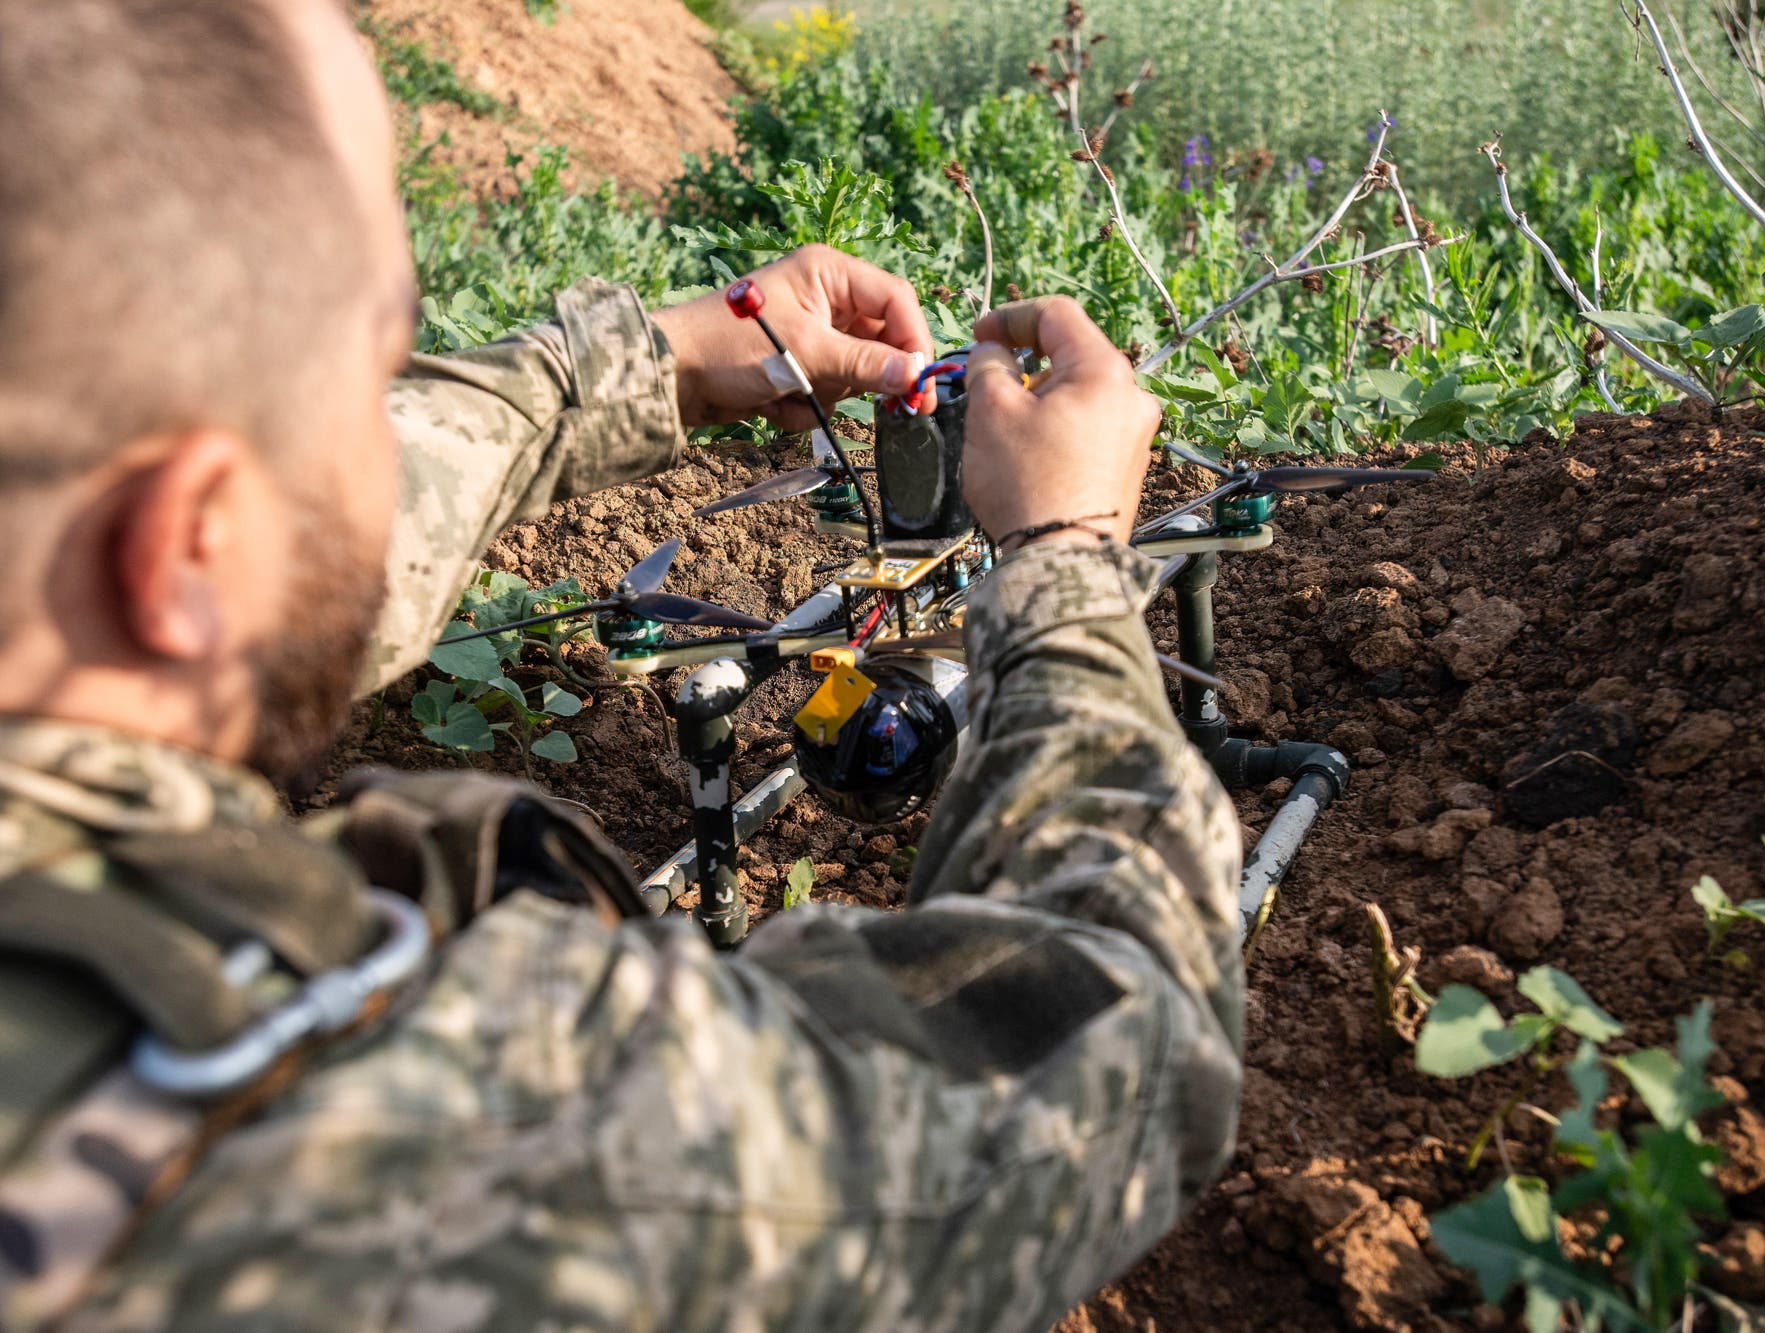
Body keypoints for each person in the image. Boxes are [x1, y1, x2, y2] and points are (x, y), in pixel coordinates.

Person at [0, 1, 1243, 1330]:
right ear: (191, 541)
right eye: (369, 369)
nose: (382, 425)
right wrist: (1062, 558)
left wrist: (635, 367)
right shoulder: (404, 1138)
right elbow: (1125, 1034)